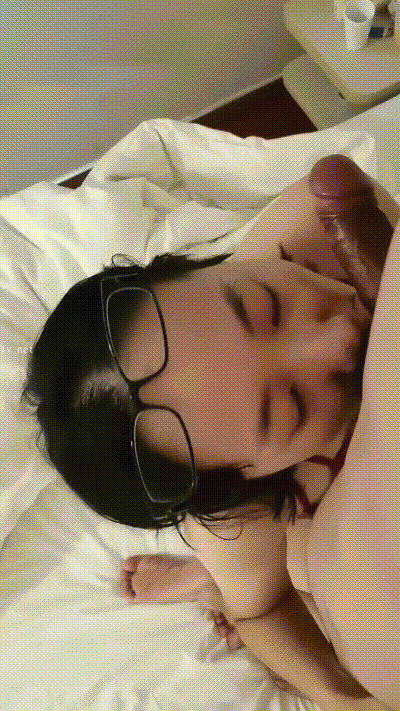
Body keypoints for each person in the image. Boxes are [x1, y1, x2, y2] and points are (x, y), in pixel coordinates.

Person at [21, 156, 399, 711]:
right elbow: (263, 612)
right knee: (298, 575)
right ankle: (207, 582)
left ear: (202, 268)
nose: (338, 339)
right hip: (269, 540)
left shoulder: (321, 218)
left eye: (268, 306)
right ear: (247, 478)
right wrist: (346, 701)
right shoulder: (243, 515)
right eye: (290, 409)